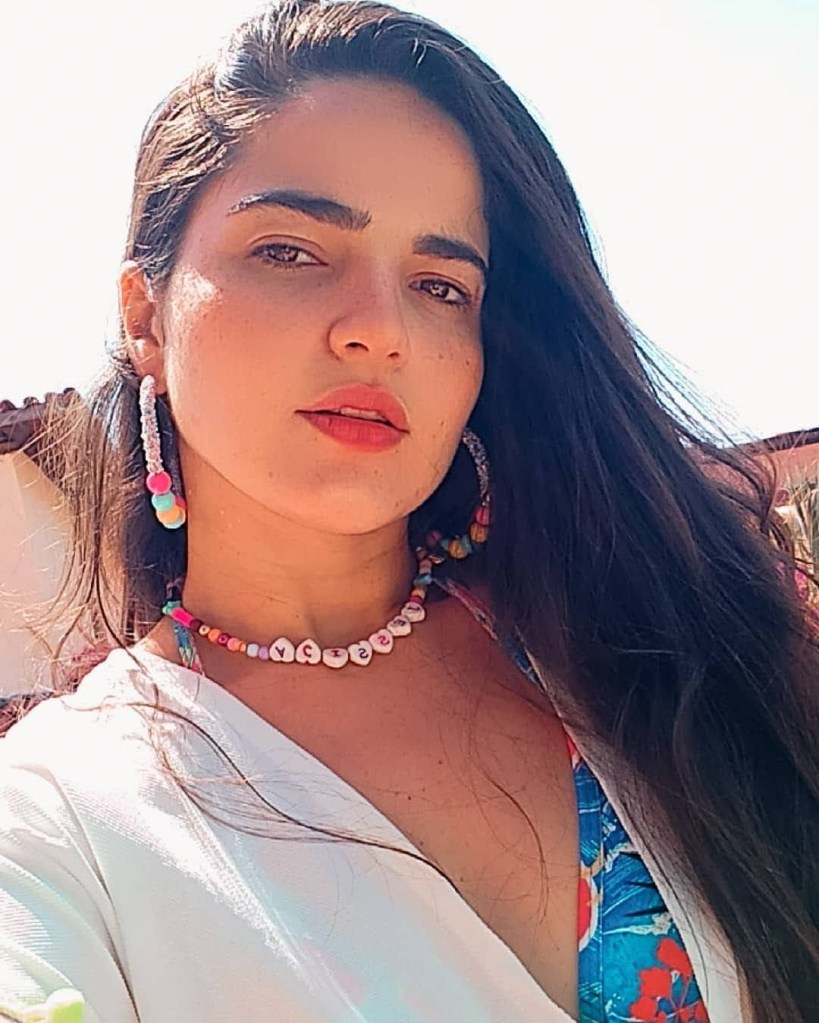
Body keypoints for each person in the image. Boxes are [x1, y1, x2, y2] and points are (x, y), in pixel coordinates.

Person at [0, 2, 816, 1021]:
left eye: (439, 284)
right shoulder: (59, 820)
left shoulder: (658, 654)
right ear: (145, 318)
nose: (379, 329)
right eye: (291, 251)